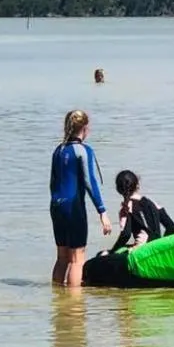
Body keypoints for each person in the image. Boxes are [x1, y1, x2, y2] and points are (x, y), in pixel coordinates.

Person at [50, 109, 111, 287]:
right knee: (77, 259)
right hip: (73, 207)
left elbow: (52, 182)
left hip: (56, 206)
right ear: (85, 128)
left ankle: (58, 300)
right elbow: (90, 182)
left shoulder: (58, 150)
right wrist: (102, 211)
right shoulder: (83, 151)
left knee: (62, 257)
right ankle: (74, 308)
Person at [107, 170, 174, 251]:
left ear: (118, 189)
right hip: (157, 248)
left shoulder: (126, 208)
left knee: (102, 255)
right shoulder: (152, 203)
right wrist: (162, 246)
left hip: (142, 251)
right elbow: (172, 228)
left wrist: (112, 251)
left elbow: (125, 235)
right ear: (137, 185)